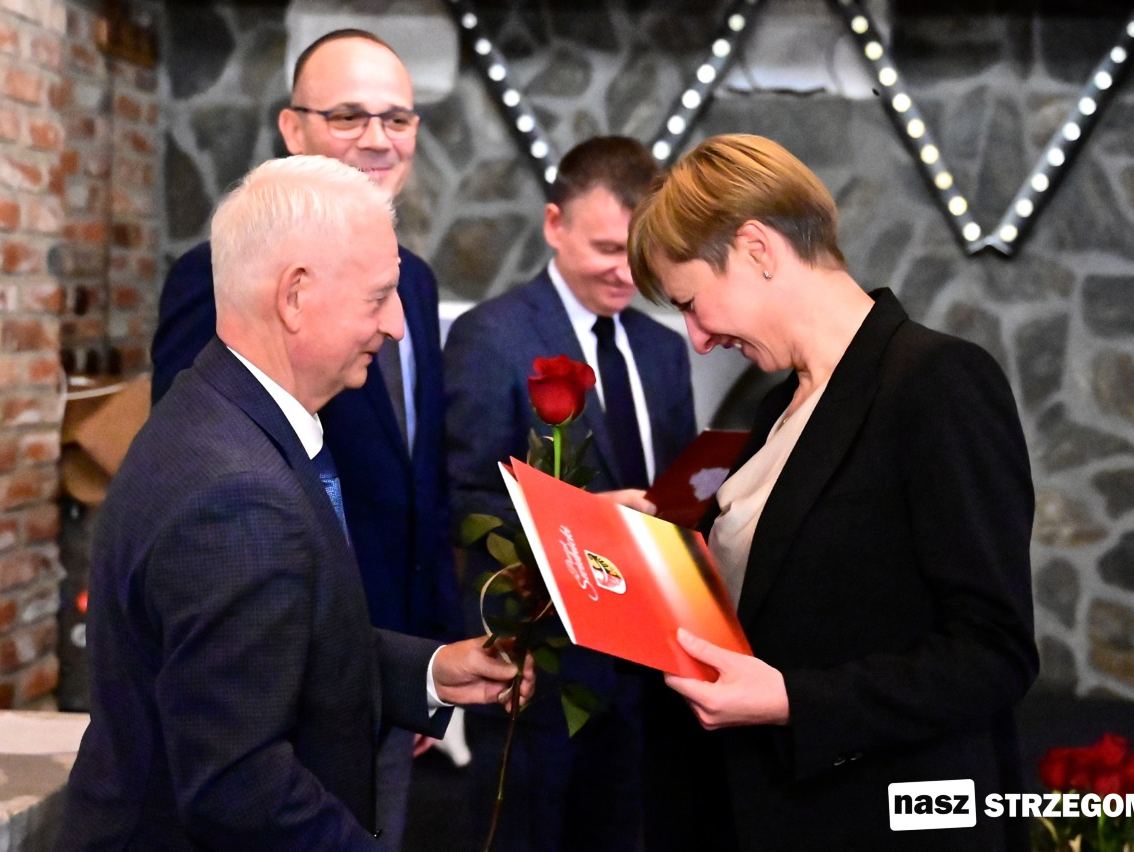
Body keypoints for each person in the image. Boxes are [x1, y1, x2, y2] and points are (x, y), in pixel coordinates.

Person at [58, 155, 533, 850]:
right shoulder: (237, 497)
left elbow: (270, 652)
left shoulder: (222, 409)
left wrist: (428, 671)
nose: (398, 325)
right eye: (378, 297)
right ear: (294, 296)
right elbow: (238, 786)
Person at [625, 133, 1039, 851]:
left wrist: (793, 700)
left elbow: (993, 653)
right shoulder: (779, 405)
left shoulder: (937, 383)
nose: (696, 339)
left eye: (691, 303)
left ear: (757, 249)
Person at [150, 29, 459, 848]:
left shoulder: (417, 281)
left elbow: (417, 478)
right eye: (349, 115)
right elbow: (198, 486)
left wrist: (423, 659)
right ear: (292, 129)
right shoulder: (217, 277)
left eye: (397, 118)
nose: (378, 139)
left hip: (391, 667)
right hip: (274, 680)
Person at [443, 135, 697, 852]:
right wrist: (584, 520)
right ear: (555, 225)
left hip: (650, 667)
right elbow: (463, 500)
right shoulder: (491, 337)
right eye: (607, 248)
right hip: (540, 667)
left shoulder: (663, 348)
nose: (625, 271)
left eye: (640, 253)